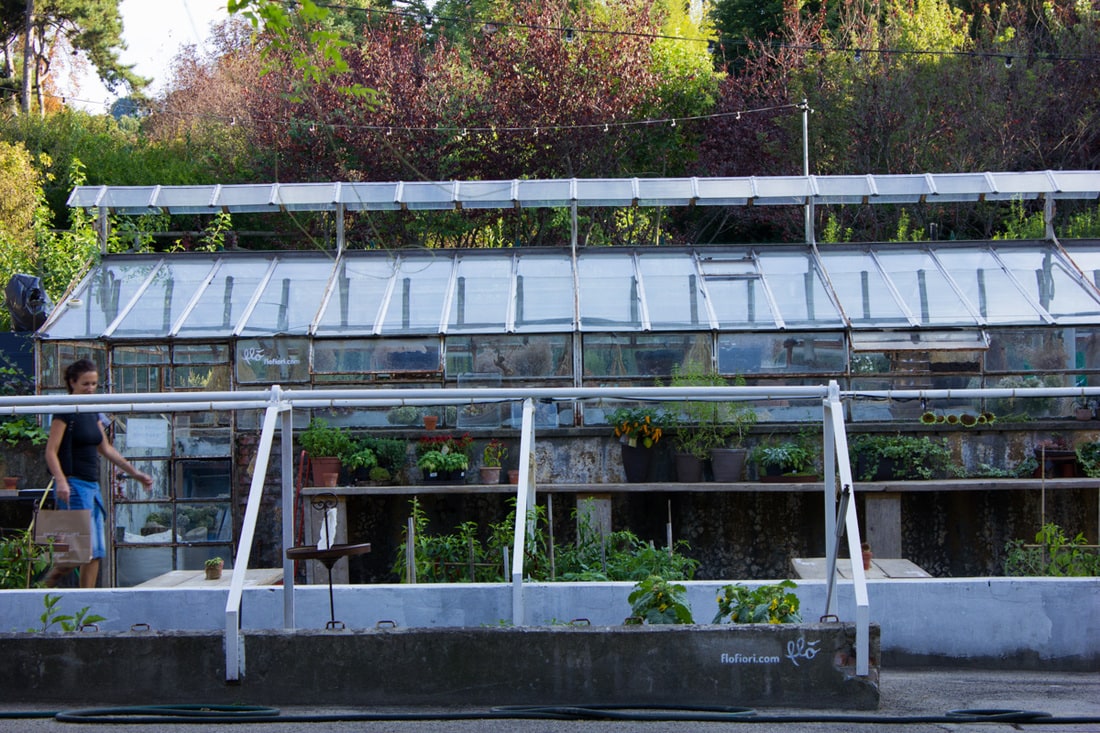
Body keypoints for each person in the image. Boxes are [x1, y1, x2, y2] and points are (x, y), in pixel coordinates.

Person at [44, 359, 153, 587]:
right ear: (72, 383)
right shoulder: (65, 411)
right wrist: (61, 481)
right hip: (73, 487)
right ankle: (44, 584)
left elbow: (105, 449)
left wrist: (135, 473)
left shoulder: (92, 411)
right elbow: (51, 451)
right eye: (85, 383)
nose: (90, 388)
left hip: (91, 488)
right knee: (83, 549)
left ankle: (87, 599)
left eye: (94, 383)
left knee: (97, 551)